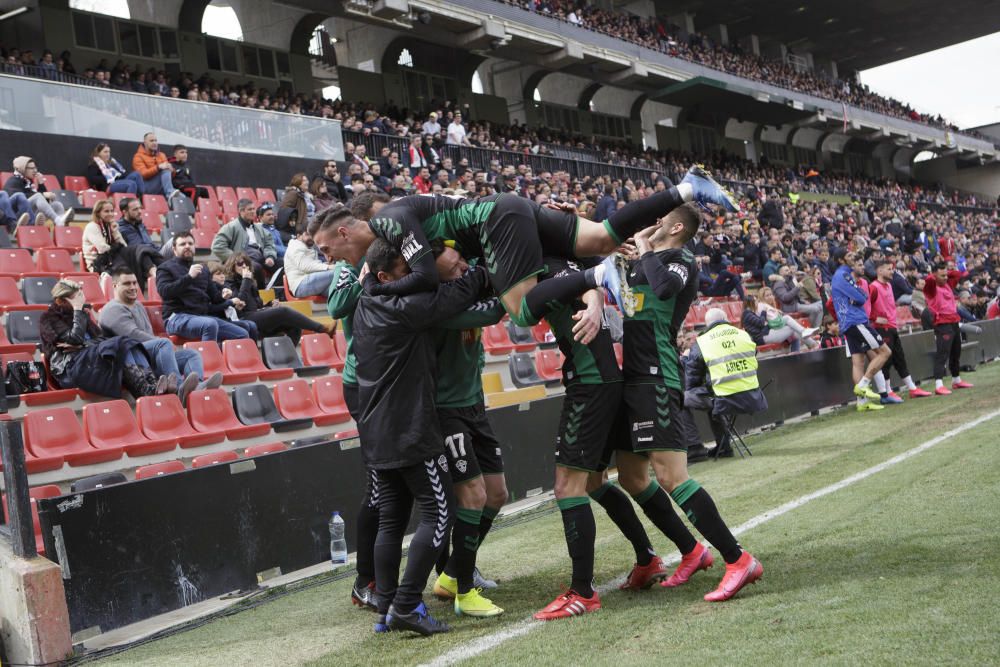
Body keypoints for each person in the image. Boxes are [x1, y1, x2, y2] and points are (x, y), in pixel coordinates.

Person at [312, 166, 739, 328]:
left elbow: (424, 276)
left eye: (324, 247)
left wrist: (380, 290)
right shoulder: (396, 226)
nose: (326, 257)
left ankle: (598, 274)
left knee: (520, 311)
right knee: (605, 237)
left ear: (344, 232)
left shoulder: (388, 220)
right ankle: (687, 187)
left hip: (495, 222)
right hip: (510, 209)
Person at [616, 206, 763, 603]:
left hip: (657, 373)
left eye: (663, 219)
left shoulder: (680, 259)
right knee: (631, 476)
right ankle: (693, 551)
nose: (655, 222)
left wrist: (646, 246)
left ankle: (737, 559)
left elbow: (664, 289)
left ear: (676, 227)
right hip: (631, 376)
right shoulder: (644, 256)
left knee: (671, 476)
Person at [352, 238, 490, 636]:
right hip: (410, 428)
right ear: (384, 276)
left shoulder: (367, 301)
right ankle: (409, 605)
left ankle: (387, 609)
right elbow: (458, 294)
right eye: (405, 270)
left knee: (392, 520)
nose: (415, 276)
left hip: (377, 430)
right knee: (438, 511)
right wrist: (487, 271)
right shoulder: (404, 308)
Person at [427, 242, 508, 618]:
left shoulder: (462, 287)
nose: (463, 269)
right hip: (447, 412)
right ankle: (463, 590)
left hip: (475, 406)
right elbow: (494, 310)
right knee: (472, 496)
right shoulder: (437, 304)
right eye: (455, 266)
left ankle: (451, 573)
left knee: (496, 494)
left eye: (464, 263)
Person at [99, 268, 223, 405]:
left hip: (147, 357)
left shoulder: (138, 305)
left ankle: (197, 387)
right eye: (127, 284)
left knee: (191, 355)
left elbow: (149, 337)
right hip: (132, 363)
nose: (133, 287)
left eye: (135, 283)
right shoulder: (112, 309)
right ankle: (180, 387)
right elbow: (133, 336)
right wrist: (163, 343)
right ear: (115, 286)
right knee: (163, 343)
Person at [40, 279, 172, 398]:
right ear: (60, 301)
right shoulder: (49, 319)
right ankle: (145, 390)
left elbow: (101, 339)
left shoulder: (82, 315)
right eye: (75, 299)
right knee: (119, 345)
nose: (81, 301)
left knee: (128, 343)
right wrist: (77, 310)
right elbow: (76, 338)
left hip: (88, 362)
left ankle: (152, 384)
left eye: (80, 297)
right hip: (70, 370)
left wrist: (84, 345)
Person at [684, 308, 768, 459]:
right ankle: (723, 447)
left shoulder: (702, 341)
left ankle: (694, 447)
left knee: (681, 399)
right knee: (712, 395)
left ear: (707, 323)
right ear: (726, 318)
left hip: (724, 399)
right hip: (753, 396)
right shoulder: (743, 334)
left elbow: (692, 377)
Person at [156, 231, 255, 343]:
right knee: (209, 324)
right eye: (183, 244)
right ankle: (208, 360)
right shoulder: (165, 268)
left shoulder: (203, 270)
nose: (187, 246)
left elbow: (214, 298)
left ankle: (224, 358)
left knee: (242, 333)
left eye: (190, 243)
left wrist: (224, 295)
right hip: (176, 317)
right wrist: (189, 277)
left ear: (194, 247)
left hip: (201, 316)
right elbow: (164, 292)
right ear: (174, 249)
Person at [222, 252, 333, 344]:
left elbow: (256, 305)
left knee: (294, 325)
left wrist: (269, 304)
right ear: (232, 265)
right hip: (242, 319)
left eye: (247, 263)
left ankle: (288, 359)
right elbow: (239, 303)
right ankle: (322, 328)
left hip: (255, 315)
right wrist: (246, 281)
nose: (244, 266)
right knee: (283, 311)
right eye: (240, 263)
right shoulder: (228, 283)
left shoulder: (249, 281)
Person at [830, 249, 892, 411]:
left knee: (858, 362)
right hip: (855, 321)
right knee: (884, 352)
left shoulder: (840, 276)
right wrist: (859, 296)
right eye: (849, 255)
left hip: (847, 323)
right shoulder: (843, 275)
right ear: (840, 260)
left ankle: (862, 402)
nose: (853, 258)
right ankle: (863, 385)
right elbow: (861, 297)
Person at [870, 259, 931, 399]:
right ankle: (887, 391)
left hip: (892, 326)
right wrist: (874, 319)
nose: (892, 271)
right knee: (885, 360)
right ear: (879, 271)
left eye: (892, 269)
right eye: (889, 269)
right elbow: (865, 307)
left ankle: (912, 388)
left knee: (900, 358)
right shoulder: (873, 287)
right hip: (881, 328)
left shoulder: (889, 286)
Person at [923, 262, 974, 395]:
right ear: (935, 275)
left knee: (956, 352)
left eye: (946, 275)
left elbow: (958, 274)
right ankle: (939, 385)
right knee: (942, 353)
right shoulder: (931, 287)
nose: (946, 277)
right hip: (942, 323)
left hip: (954, 321)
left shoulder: (947, 284)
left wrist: (946, 270)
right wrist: (934, 274)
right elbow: (928, 280)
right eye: (942, 275)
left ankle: (956, 380)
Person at [82, 199, 161, 280]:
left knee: (141, 252)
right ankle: (155, 274)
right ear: (98, 213)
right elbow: (103, 249)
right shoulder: (92, 226)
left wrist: (115, 231)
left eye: (112, 211)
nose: (110, 214)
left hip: (112, 260)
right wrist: (117, 248)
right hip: (99, 264)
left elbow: (124, 246)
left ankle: (156, 272)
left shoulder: (110, 226)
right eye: (106, 211)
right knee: (137, 252)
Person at [211, 198, 278, 283]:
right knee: (256, 268)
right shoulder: (231, 227)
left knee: (282, 263)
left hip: (261, 256)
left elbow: (269, 243)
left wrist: (270, 256)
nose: (253, 211)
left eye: (254, 209)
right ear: (241, 211)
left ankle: (276, 290)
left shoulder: (259, 228)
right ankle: (261, 293)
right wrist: (236, 258)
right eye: (249, 209)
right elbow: (217, 247)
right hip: (244, 258)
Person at [5, 156, 72, 226]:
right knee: (38, 196)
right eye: (31, 168)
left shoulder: (28, 181)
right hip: (18, 216)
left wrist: (41, 183)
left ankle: (60, 227)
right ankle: (57, 220)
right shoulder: (13, 180)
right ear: (22, 169)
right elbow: (18, 198)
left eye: (35, 168)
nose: (35, 171)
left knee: (57, 205)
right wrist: (43, 194)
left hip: (30, 213)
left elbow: (43, 201)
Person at [750, 287, 819, 351]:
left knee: (795, 333)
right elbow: (775, 323)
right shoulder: (762, 305)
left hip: (772, 331)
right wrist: (779, 315)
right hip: (766, 334)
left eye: (771, 294)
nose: (770, 297)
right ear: (762, 297)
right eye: (767, 295)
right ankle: (811, 342)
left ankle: (807, 347)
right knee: (791, 325)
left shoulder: (768, 307)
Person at [286, 218, 338, 298]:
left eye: (312, 234)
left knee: (339, 291)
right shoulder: (295, 247)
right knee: (340, 271)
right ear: (298, 236)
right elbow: (306, 266)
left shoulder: (308, 247)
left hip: (309, 281)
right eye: (307, 234)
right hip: (300, 285)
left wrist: (326, 264)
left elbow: (312, 265)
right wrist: (328, 267)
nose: (311, 237)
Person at [115, 197, 164, 278]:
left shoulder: (140, 224)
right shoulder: (121, 228)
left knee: (175, 244)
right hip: (141, 256)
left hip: (153, 252)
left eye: (140, 208)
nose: (140, 211)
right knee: (143, 251)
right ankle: (156, 274)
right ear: (124, 212)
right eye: (135, 209)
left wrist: (159, 250)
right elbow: (138, 247)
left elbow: (150, 243)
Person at [131, 132, 183, 205]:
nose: (154, 143)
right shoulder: (138, 157)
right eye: (151, 141)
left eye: (155, 140)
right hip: (145, 187)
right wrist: (158, 167)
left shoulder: (161, 155)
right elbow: (143, 175)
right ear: (145, 143)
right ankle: (169, 193)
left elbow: (169, 176)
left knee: (183, 197)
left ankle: (171, 195)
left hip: (161, 187)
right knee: (165, 170)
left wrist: (172, 170)